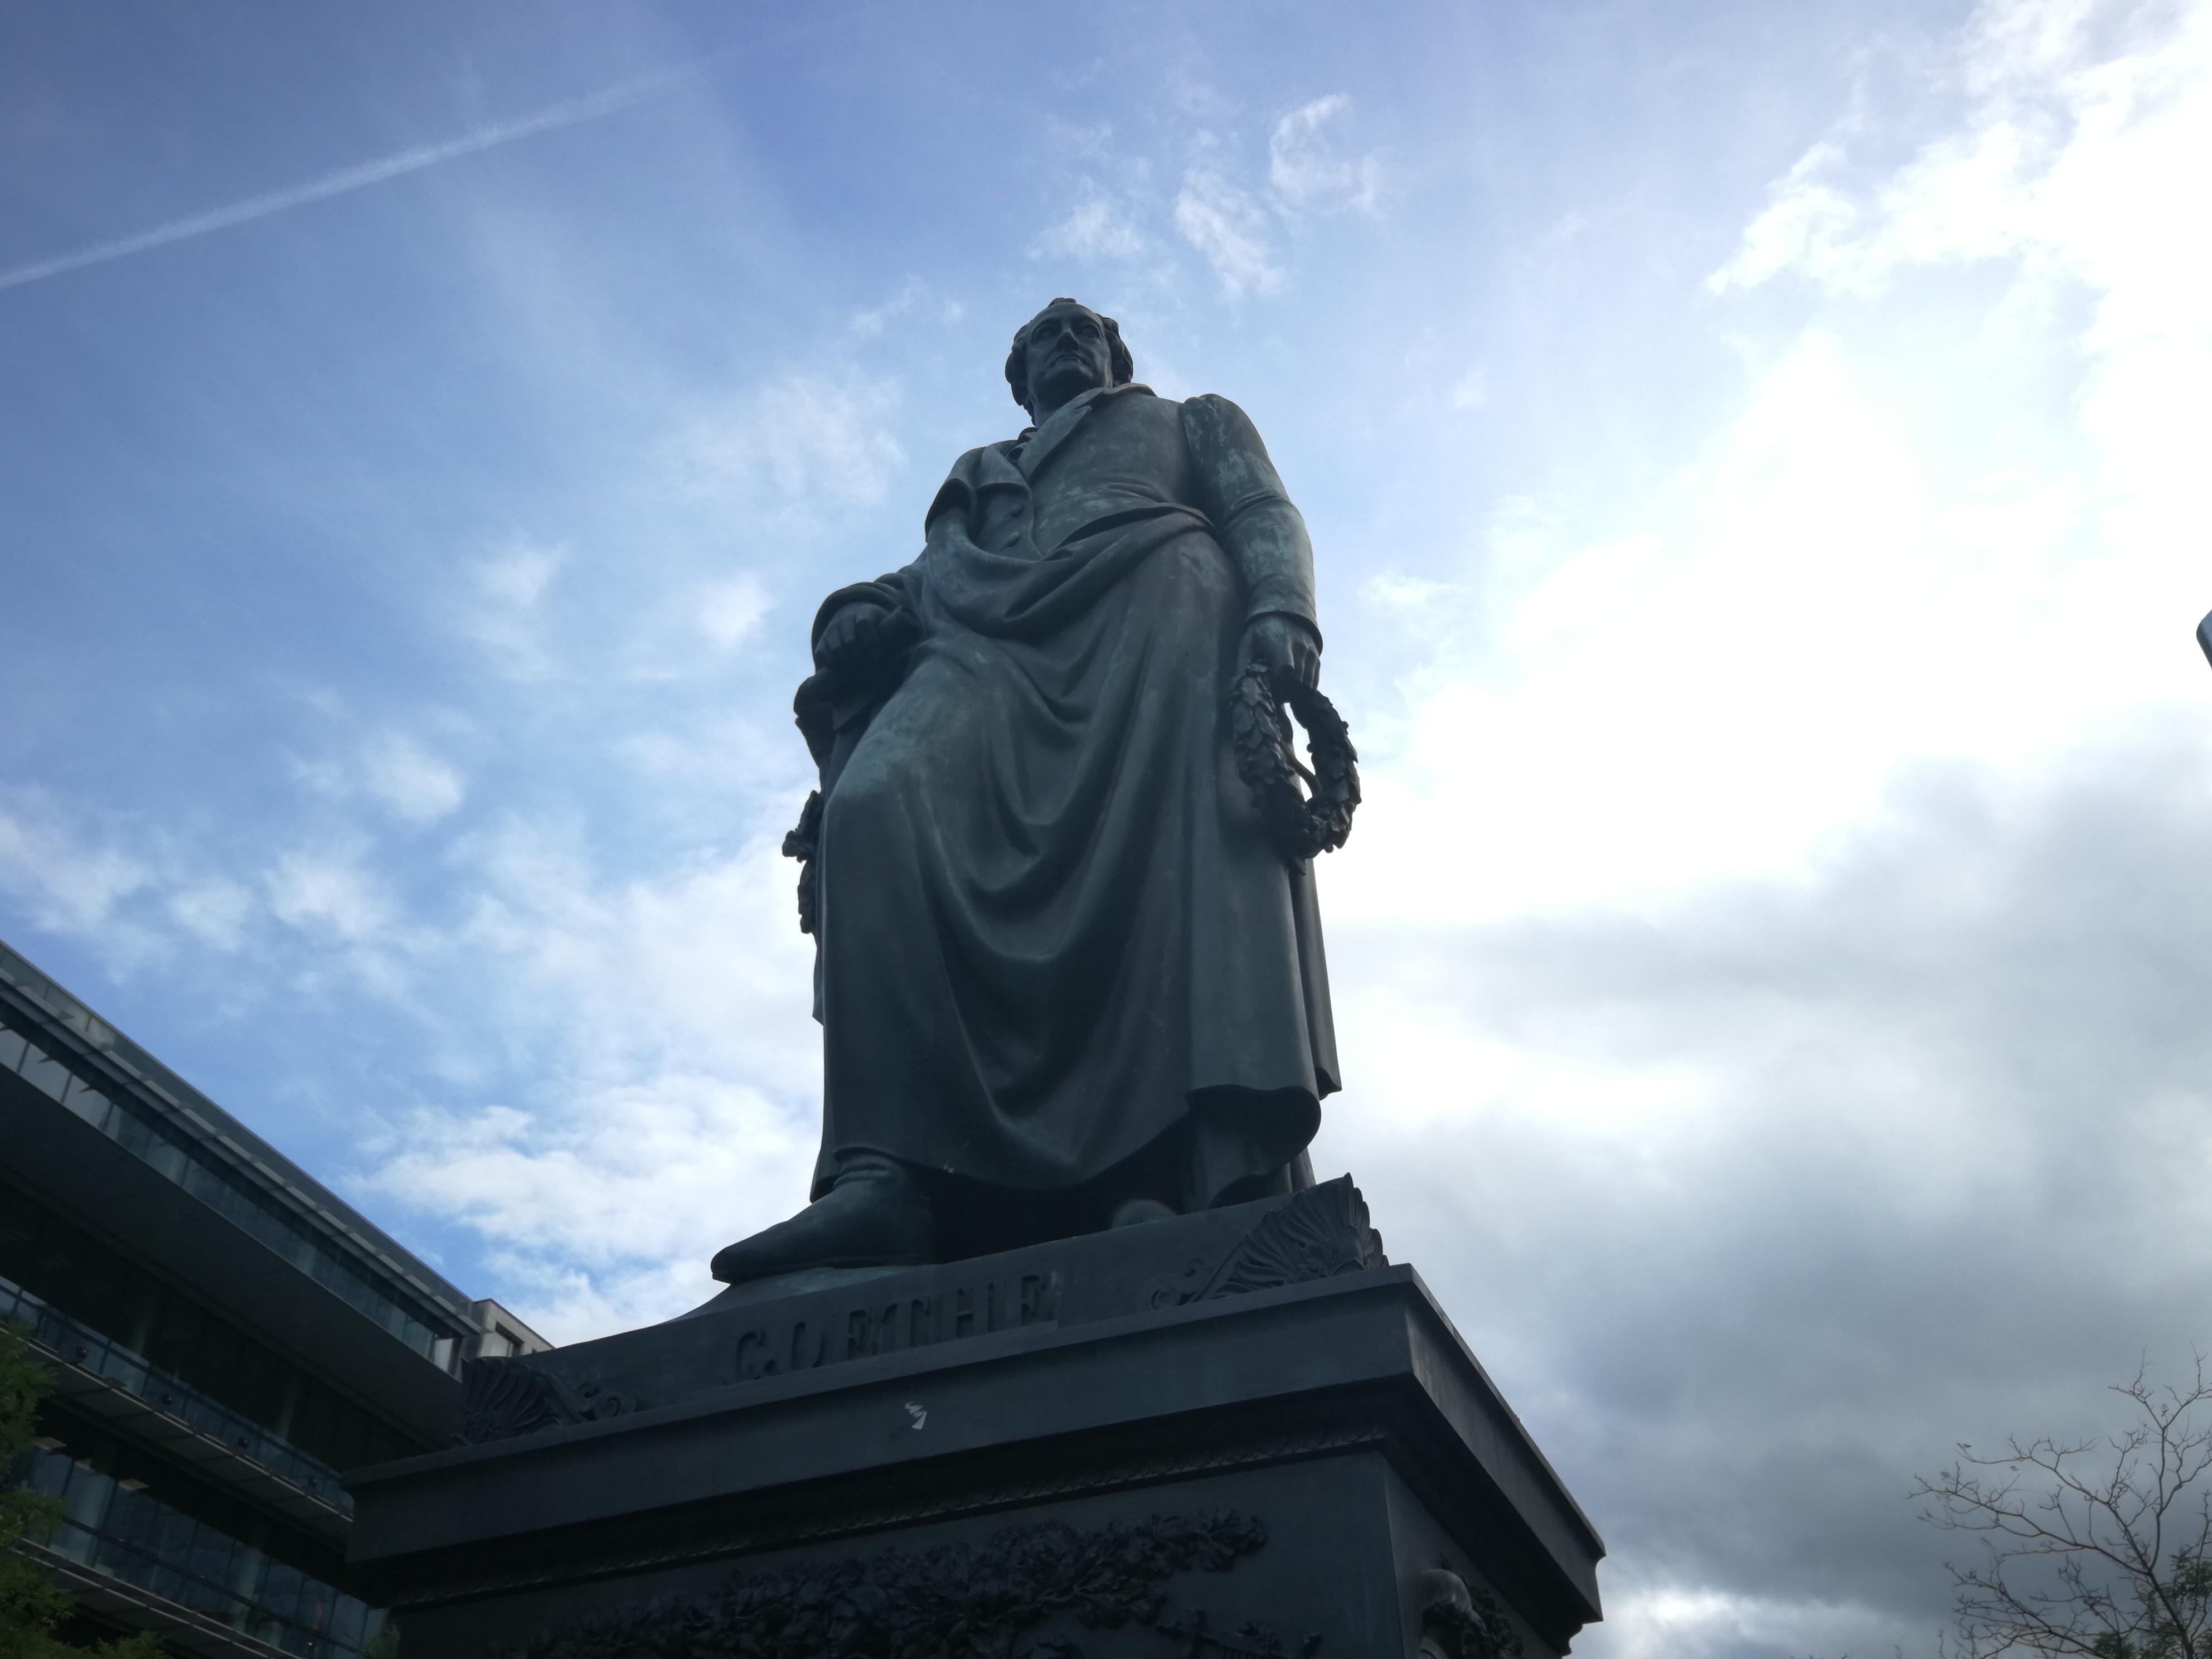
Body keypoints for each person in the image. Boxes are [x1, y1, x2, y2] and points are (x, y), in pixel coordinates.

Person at [711, 299, 1339, 1285]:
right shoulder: (981, 474)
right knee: (875, 803)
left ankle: (1152, 1171)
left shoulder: (1191, 421)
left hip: (1152, 617)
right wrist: (854, 610)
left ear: (1116, 354)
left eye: (1086, 330)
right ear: (1019, 377)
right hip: (981, 647)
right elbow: (921, 578)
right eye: (1046, 336)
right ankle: (883, 1175)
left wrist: (1282, 607)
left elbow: (1262, 510)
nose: (1068, 342)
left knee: (1154, 876)